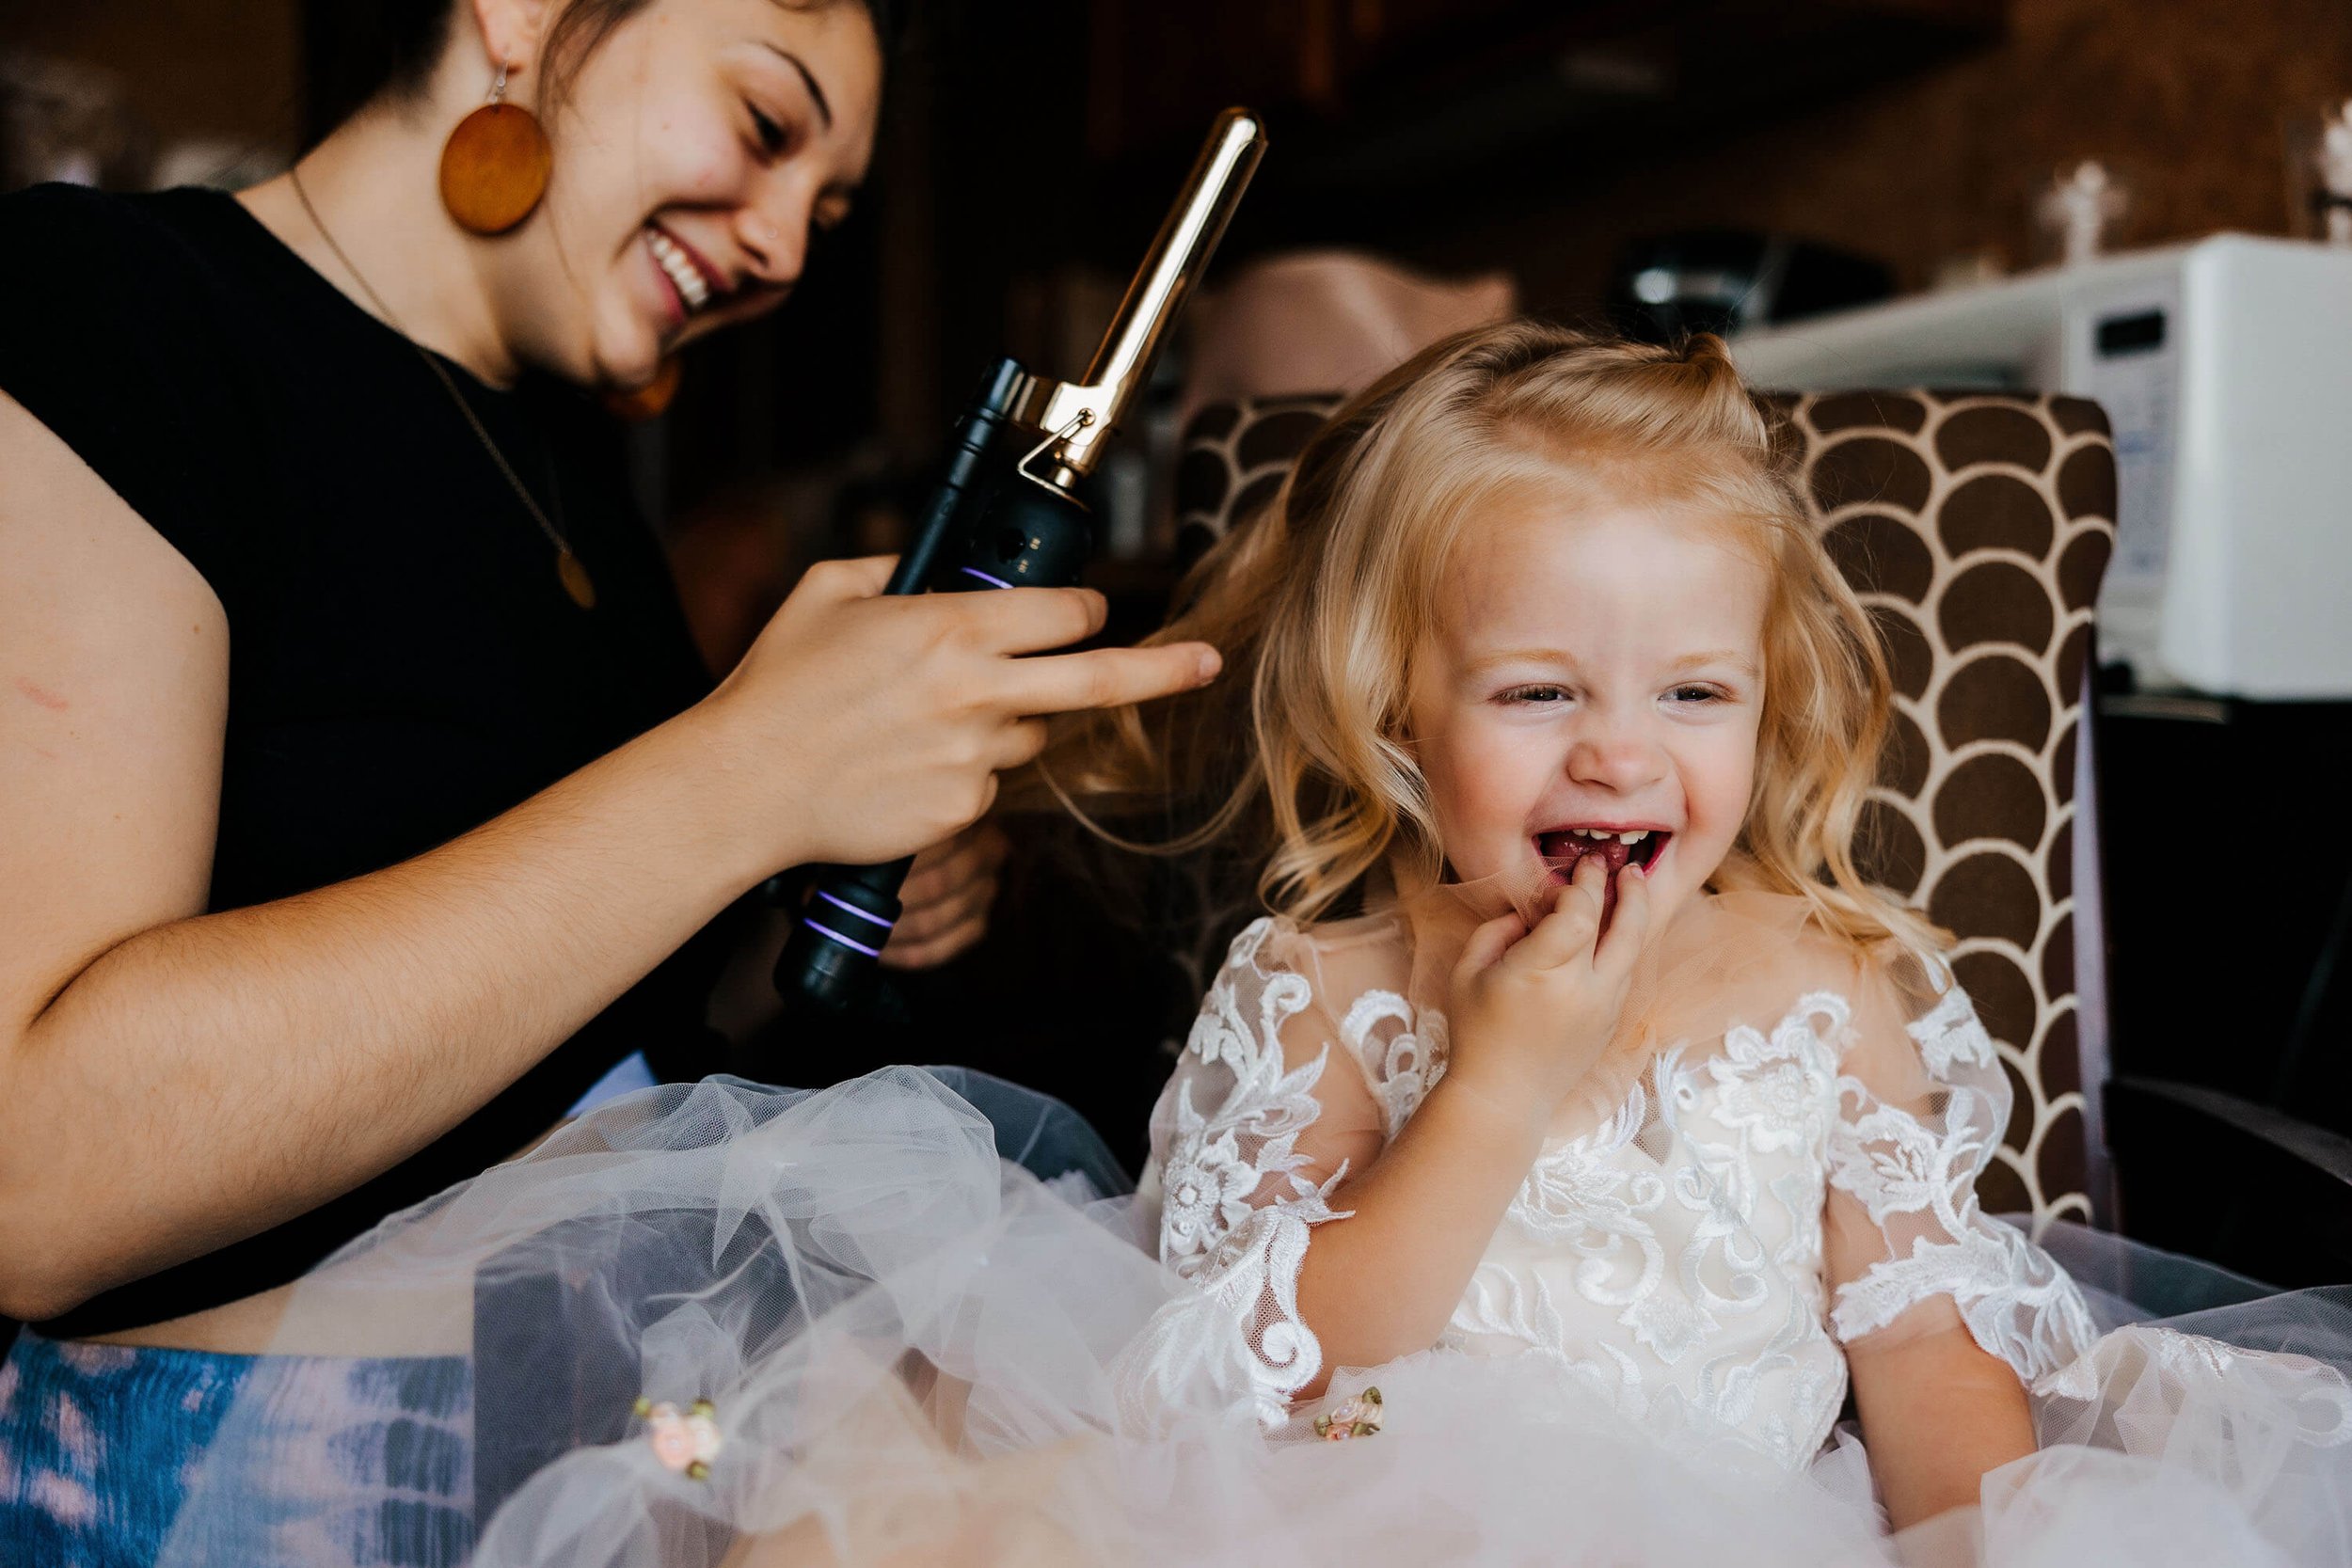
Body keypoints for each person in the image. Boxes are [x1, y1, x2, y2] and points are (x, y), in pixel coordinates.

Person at [56, 325, 2352, 1567]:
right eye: (1539, 693)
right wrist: (1506, 1085)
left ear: (1769, 709)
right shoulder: (1325, 984)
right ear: (1398, 711)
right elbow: (1239, 1362)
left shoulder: (1824, 990)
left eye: (1691, 698)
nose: (1618, 758)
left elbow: (1935, 1392)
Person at [0, 0, 1221, 1554]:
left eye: (828, 210)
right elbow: (34, 1177)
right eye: (768, 127)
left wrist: (832, 878)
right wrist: (745, 777)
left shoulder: (580, 499)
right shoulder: (106, 311)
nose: (785, 245)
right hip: (238, 1492)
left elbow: (580, 1043)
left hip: (608, 1444)